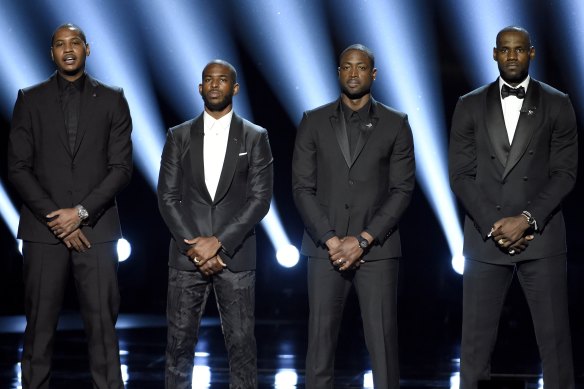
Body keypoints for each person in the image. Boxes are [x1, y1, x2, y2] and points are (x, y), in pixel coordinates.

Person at [449, 26, 577, 388]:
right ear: (494, 54)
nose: (511, 56)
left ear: (531, 53)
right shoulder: (469, 104)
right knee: (474, 347)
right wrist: (497, 224)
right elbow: (460, 175)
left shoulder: (557, 102)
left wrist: (526, 220)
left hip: (542, 238)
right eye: (505, 50)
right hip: (485, 239)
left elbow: (565, 173)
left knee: (555, 344)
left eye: (519, 50)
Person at [7, 23, 132, 388]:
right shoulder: (29, 99)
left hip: (98, 229)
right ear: (51, 53)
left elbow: (121, 168)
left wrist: (79, 214)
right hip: (42, 233)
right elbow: (17, 167)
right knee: (39, 329)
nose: (68, 49)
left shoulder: (113, 98)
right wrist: (57, 219)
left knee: (103, 331)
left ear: (87, 49)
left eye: (74, 42)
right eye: (60, 44)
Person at [292, 44, 415, 389]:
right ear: (339, 72)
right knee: (320, 345)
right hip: (323, 250)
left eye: (361, 67)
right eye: (347, 67)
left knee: (383, 345)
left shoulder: (395, 123)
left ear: (373, 74)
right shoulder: (313, 121)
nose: (354, 73)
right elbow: (302, 188)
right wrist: (332, 240)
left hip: (377, 249)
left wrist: (363, 239)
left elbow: (402, 190)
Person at [157, 59, 273, 389]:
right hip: (186, 256)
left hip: (234, 256)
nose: (215, 85)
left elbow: (260, 199)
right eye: (208, 79)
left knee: (241, 347)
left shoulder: (255, 136)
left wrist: (219, 242)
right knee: (178, 347)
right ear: (200, 87)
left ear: (234, 88)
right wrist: (195, 246)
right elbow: (167, 196)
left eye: (222, 80)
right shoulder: (178, 136)